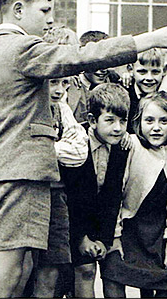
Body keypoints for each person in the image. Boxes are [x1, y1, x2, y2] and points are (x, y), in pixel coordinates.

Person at [0, 0, 167, 297]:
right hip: (21, 178)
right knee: (7, 275)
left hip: (8, 176)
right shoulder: (23, 48)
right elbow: (82, 56)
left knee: (28, 271)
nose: (50, 19)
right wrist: (146, 40)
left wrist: (4, 153)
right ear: (18, 9)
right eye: (45, 10)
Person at [101, 91, 167, 298]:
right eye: (149, 120)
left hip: (159, 229)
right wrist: (114, 237)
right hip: (127, 226)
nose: (156, 127)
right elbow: (116, 195)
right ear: (139, 121)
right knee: (113, 270)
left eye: (164, 121)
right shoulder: (130, 145)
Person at [63, 83, 132, 298]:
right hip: (72, 222)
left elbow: (113, 197)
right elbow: (71, 198)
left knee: (111, 270)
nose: (118, 128)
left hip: (101, 224)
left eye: (123, 121)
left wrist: (103, 239)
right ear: (92, 121)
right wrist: (82, 238)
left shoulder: (121, 147)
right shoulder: (77, 144)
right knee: (85, 270)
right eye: (110, 120)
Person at [28, 74, 89, 297]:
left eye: (65, 84)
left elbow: (80, 152)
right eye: (54, 82)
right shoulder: (26, 108)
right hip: (27, 194)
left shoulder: (62, 110)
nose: (60, 90)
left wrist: (47, 149)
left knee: (51, 271)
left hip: (56, 194)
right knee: (21, 270)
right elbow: (23, 149)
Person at [66, 30, 121, 123]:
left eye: (107, 62)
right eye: (96, 63)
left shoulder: (114, 80)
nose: (103, 69)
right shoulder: (70, 86)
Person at [126, 48, 167, 133]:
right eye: (142, 72)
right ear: (131, 69)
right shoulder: (124, 95)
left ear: (164, 70)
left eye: (155, 72)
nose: (149, 78)